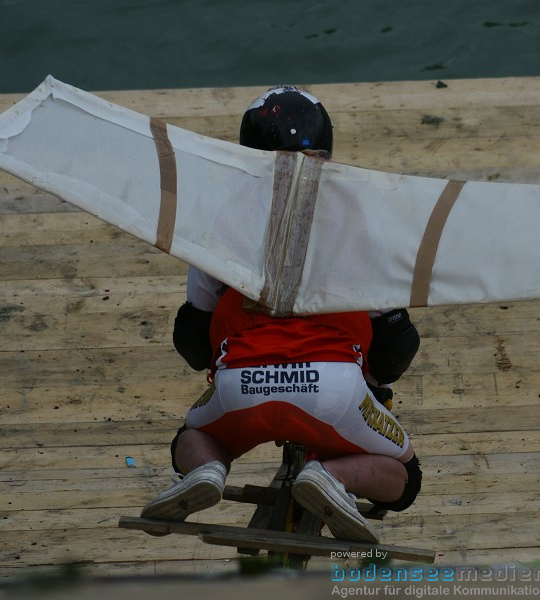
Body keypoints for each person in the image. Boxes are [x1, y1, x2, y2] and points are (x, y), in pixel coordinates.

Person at [140, 86, 422, 544]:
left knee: (187, 439)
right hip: (333, 387)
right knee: (406, 479)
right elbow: (396, 344)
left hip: (240, 383)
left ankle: (207, 469)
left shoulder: (222, 221)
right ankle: (333, 478)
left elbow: (193, 337)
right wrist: (374, 375)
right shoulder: (359, 221)